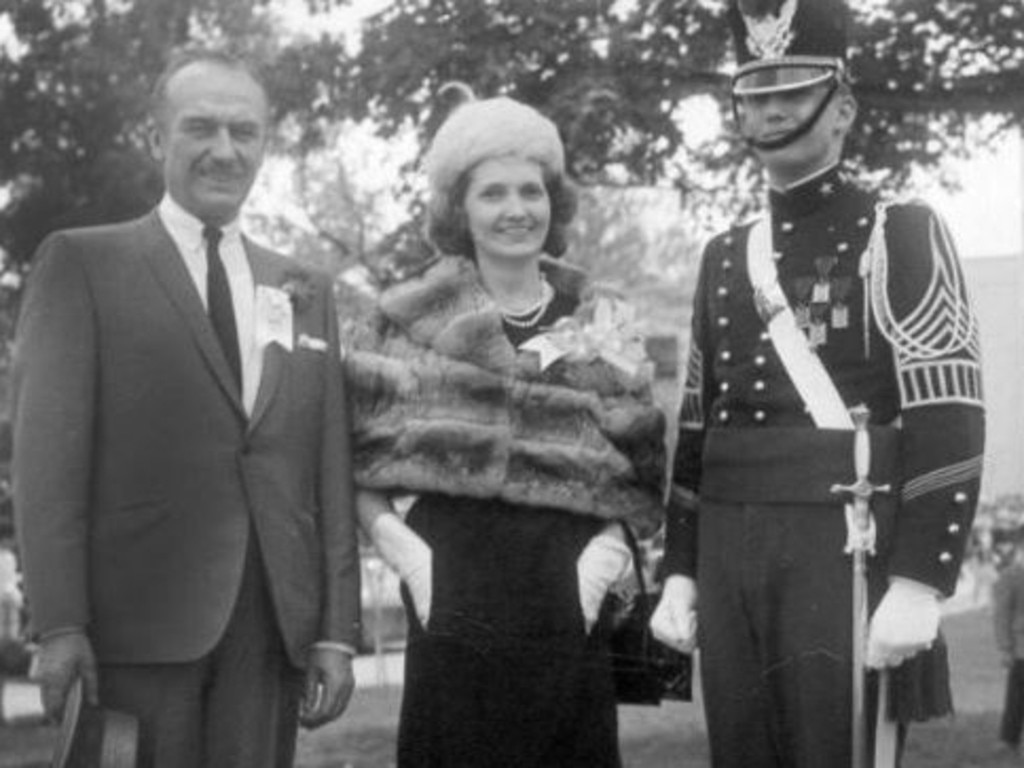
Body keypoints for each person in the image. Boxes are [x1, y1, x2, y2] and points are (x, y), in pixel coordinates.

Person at [650, 0, 986, 766]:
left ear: (842, 108)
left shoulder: (899, 231)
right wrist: (679, 569)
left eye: (792, 96)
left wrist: (919, 582)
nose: (770, 114)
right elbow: (698, 428)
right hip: (729, 546)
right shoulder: (724, 255)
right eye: (754, 97)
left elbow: (951, 412)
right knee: (742, 752)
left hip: (843, 544)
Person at [11, 48, 361, 767]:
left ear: (266, 143)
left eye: (245, 132)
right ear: (157, 138)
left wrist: (335, 628)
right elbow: (47, 463)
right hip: (133, 624)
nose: (224, 151)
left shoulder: (305, 288)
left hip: (269, 625)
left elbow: (327, 465)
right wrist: (59, 625)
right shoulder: (83, 263)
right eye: (200, 127)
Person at [345, 89, 668, 767]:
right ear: (458, 209)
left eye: (532, 190)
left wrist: (606, 554)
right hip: (451, 583)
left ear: (555, 202)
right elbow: (349, 465)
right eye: (492, 193)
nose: (516, 210)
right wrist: (409, 556)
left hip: (569, 584)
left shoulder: (599, 319)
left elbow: (644, 470)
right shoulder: (403, 319)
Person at [993, 528, 1024, 756]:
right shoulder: (1012, 574)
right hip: (1021, 648)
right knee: (1017, 696)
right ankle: (1008, 739)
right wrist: (1005, 648)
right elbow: (1002, 614)